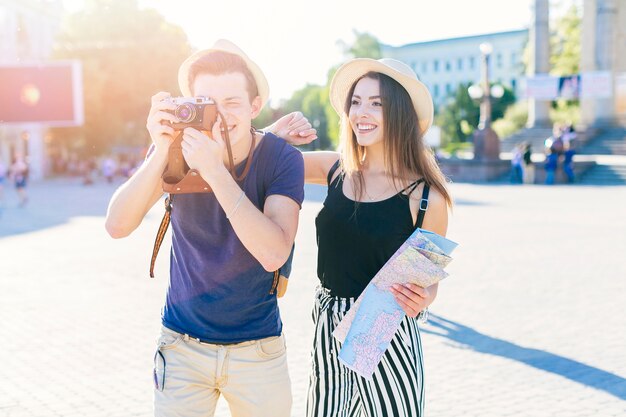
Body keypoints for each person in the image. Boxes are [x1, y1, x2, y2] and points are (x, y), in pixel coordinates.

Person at [105, 39, 314, 417]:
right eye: (205, 103)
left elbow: (273, 253)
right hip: (181, 345)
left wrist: (214, 169)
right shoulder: (176, 149)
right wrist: (160, 150)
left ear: (255, 107)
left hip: (258, 350)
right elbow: (117, 226)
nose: (218, 116)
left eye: (231, 103)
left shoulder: (281, 158)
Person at [282, 58, 452, 416]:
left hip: (385, 332)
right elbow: (266, 161)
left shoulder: (426, 199)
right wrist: (276, 136)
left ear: (400, 115)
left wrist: (424, 295)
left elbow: (429, 285)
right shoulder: (335, 169)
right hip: (328, 329)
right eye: (356, 102)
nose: (362, 112)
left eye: (377, 103)